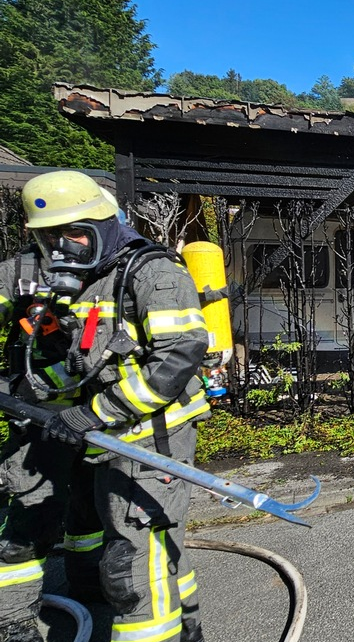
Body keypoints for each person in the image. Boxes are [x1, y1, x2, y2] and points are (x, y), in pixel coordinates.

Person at [0, 171, 208, 642]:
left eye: (74, 233)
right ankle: (27, 616)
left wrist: (98, 413)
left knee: (134, 555)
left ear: (105, 224)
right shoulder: (27, 271)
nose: (62, 247)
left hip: (145, 431)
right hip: (54, 421)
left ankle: (178, 625)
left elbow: (178, 355)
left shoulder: (150, 272)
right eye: (49, 235)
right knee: (33, 525)